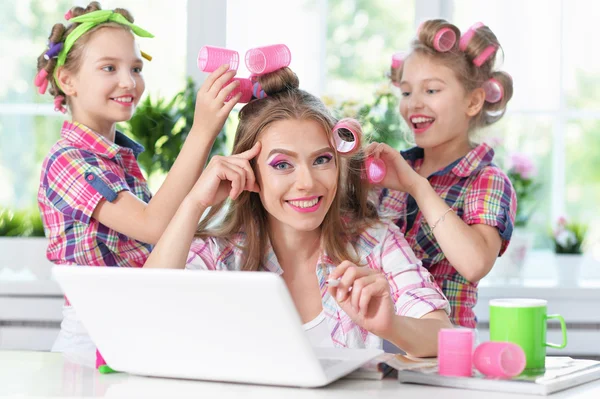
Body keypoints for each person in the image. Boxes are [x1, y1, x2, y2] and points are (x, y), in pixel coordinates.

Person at [144, 66, 452, 357]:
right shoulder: (220, 253)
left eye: (321, 160)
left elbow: (443, 336)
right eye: (282, 164)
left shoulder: (374, 242)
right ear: (249, 171)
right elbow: (143, 316)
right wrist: (194, 202)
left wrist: (390, 326)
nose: (307, 182)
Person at [35, 1, 242, 361]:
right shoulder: (68, 161)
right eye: (109, 68)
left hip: (131, 325)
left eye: (135, 67)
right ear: (67, 81)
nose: (128, 81)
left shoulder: (116, 158)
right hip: (93, 342)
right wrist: (202, 131)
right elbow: (153, 226)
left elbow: (162, 238)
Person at [368, 19, 517, 328]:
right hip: (377, 353)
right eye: (406, 92)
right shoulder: (390, 170)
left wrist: (417, 187)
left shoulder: (484, 179)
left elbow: (474, 264)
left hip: (443, 358)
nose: (414, 104)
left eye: (431, 89)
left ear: (473, 101)